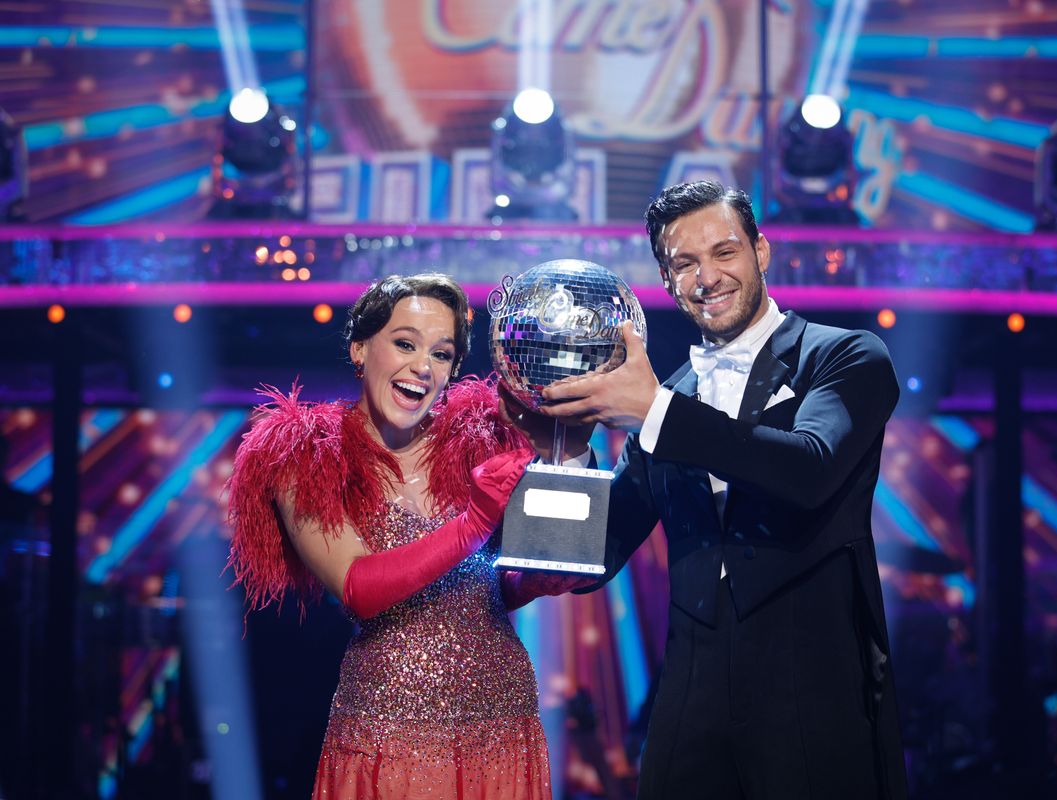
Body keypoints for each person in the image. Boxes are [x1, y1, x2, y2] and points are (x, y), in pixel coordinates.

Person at [534, 181, 908, 798]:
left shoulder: (845, 356)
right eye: (685, 264)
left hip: (810, 686)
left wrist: (655, 410)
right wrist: (567, 449)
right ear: (666, 279)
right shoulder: (665, 397)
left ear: (761, 252)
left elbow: (809, 469)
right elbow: (590, 556)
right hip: (690, 694)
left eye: (724, 252)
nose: (707, 276)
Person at [227, 273, 560, 799]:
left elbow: (484, 591)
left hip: (501, 725)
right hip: (388, 734)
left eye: (442, 354)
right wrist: (474, 521)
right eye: (405, 344)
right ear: (360, 348)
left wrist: (533, 578)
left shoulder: (479, 442)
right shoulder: (305, 456)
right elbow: (358, 587)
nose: (423, 368)